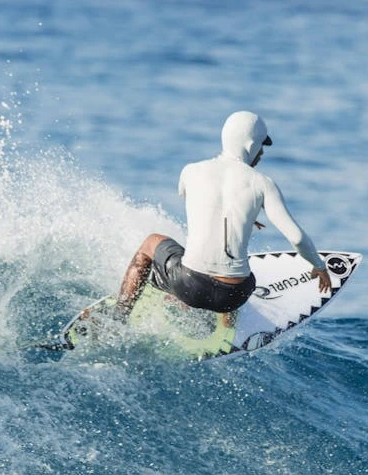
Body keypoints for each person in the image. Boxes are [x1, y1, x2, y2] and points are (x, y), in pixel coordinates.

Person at [111, 110, 331, 321]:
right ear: (251, 145)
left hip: (190, 287)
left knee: (152, 243)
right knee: (237, 264)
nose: (262, 153)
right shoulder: (262, 183)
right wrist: (319, 267)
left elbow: (206, 208)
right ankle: (225, 323)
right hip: (235, 296)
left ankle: (120, 316)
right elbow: (298, 239)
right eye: (261, 147)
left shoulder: (191, 171)